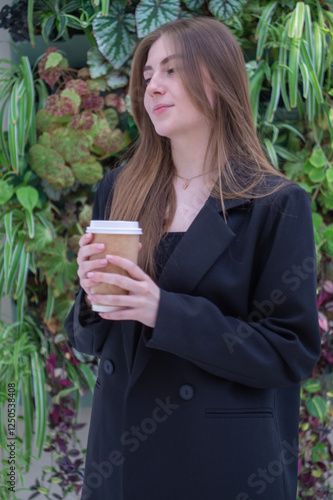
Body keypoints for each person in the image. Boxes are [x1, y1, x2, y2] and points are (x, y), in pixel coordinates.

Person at [65, 17, 321, 500]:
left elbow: (289, 353)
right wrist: (90, 293)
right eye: (147, 78)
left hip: (222, 463)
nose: (152, 87)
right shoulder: (119, 190)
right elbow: (91, 340)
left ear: (218, 80)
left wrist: (164, 311)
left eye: (171, 71)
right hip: (118, 460)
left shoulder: (276, 203)